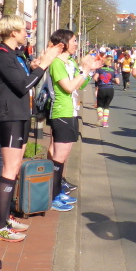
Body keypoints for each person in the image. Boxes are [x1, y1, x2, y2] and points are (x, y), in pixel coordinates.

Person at [0, 15, 63, 241]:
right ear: (13, 32)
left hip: (21, 114)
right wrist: (44, 65)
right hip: (9, 116)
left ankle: (6, 215)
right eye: (23, 30)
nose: (26, 34)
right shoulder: (1, 55)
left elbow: (27, 78)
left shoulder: (16, 54)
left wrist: (36, 65)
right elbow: (23, 86)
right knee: (9, 169)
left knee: (15, 168)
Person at [47, 29, 96, 211]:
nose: (76, 44)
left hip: (72, 111)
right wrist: (84, 71)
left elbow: (80, 85)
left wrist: (88, 72)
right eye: (74, 41)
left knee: (64, 155)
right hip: (62, 112)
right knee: (58, 157)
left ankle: (58, 191)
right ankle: (52, 196)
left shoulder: (70, 62)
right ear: (64, 43)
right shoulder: (57, 63)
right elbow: (68, 87)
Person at [94, 56, 120, 128]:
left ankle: (100, 118)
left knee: (99, 105)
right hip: (110, 89)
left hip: (102, 88)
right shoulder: (114, 70)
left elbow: (95, 78)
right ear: (112, 61)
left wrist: (100, 80)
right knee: (106, 106)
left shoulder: (100, 69)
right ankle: (105, 123)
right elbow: (118, 82)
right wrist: (112, 81)